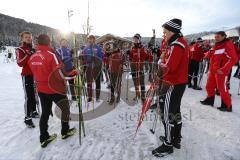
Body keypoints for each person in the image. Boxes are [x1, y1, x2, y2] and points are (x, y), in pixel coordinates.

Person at [28, 34, 78, 147]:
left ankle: (44, 137)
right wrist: (74, 74)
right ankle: (65, 132)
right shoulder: (51, 55)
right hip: (54, 88)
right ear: (49, 42)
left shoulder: (33, 56)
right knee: (65, 109)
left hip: (41, 89)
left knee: (45, 112)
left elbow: (34, 71)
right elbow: (60, 75)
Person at [152, 18, 189, 157]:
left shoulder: (177, 45)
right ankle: (175, 138)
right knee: (175, 112)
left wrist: (160, 61)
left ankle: (168, 144)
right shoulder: (177, 43)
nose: (164, 34)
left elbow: (169, 68)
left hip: (172, 84)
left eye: (165, 32)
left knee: (167, 114)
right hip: (177, 83)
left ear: (172, 31)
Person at [200, 31, 238, 112]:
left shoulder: (227, 45)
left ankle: (227, 105)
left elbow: (234, 59)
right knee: (209, 86)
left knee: (222, 89)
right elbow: (211, 52)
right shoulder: (217, 44)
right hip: (213, 70)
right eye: (215, 37)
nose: (216, 38)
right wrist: (206, 55)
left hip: (221, 72)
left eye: (218, 36)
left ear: (224, 36)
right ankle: (209, 100)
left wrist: (223, 69)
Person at [16, 31, 39, 128]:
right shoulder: (20, 49)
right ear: (22, 39)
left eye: (30, 37)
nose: (29, 39)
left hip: (35, 75)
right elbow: (20, 63)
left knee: (35, 94)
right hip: (27, 75)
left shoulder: (34, 49)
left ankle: (33, 111)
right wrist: (28, 54)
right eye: (26, 37)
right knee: (28, 96)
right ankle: (27, 117)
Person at [83, 35, 104, 102]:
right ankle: (89, 97)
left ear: (94, 40)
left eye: (92, 39)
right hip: (89, 68)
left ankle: (97, 97)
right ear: (88, 40)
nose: (90, 40)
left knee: (97, 82)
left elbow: (101, 58)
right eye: (89, 39)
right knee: (89, 83)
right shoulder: (86, 48)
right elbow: (84, 58)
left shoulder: (98, 48)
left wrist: (96, 60)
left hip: (96, 67)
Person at [130, 33, 147, 103]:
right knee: (135, 81)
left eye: (136, 39)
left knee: (141, 82)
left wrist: (141, 50)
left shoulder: (142, 47)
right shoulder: (132, 47)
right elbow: (131, 57)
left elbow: (145, 56)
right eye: (134, 39)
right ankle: (137, 94)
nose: (135, 40)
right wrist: (129, 54)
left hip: (140, 66)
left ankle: (143, 96)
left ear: (139, 40)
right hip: (133, 66)